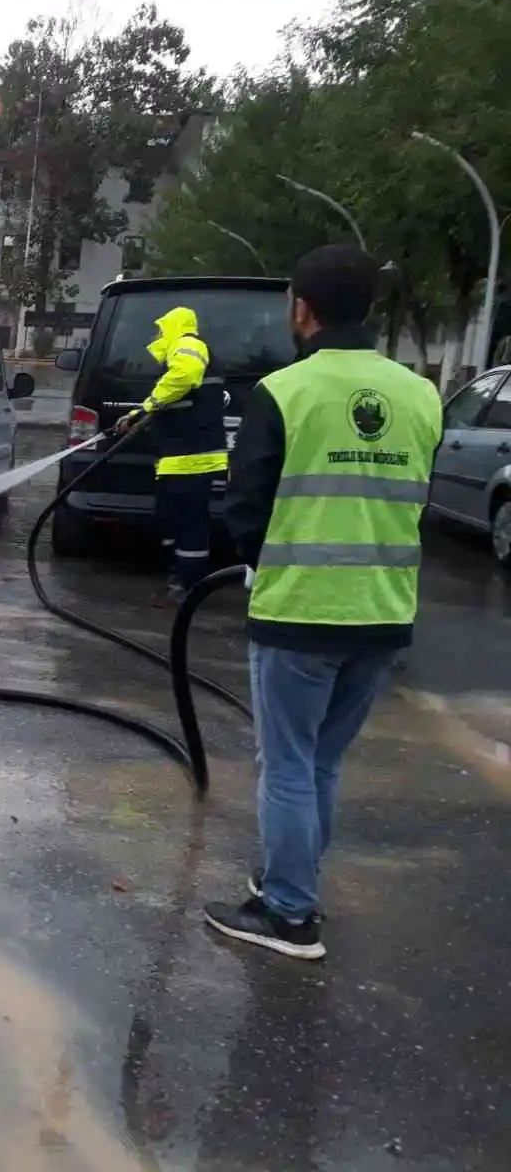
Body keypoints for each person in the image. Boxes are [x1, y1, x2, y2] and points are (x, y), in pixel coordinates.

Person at [207, 243, 442, 960]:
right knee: (322, 765)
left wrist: (255, 563)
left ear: (300, 308)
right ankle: (291, 880)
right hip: (382, 611)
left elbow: (244, 508)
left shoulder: (284, 393)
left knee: (286, 765)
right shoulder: (420, 393)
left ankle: (288, 913)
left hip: (301, 611)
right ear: (367, 309)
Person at [116, 306, 230, 603]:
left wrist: (147, 406)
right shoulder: (188, 349)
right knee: (172, 520)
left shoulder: (189, 345)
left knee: (190, 525)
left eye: (161, 330)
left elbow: (184, 377)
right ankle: (176, 578)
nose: (157, 336)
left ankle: (189, 587)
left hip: (193, 459)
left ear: (174, 327)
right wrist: (140, 413)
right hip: (180, 458)